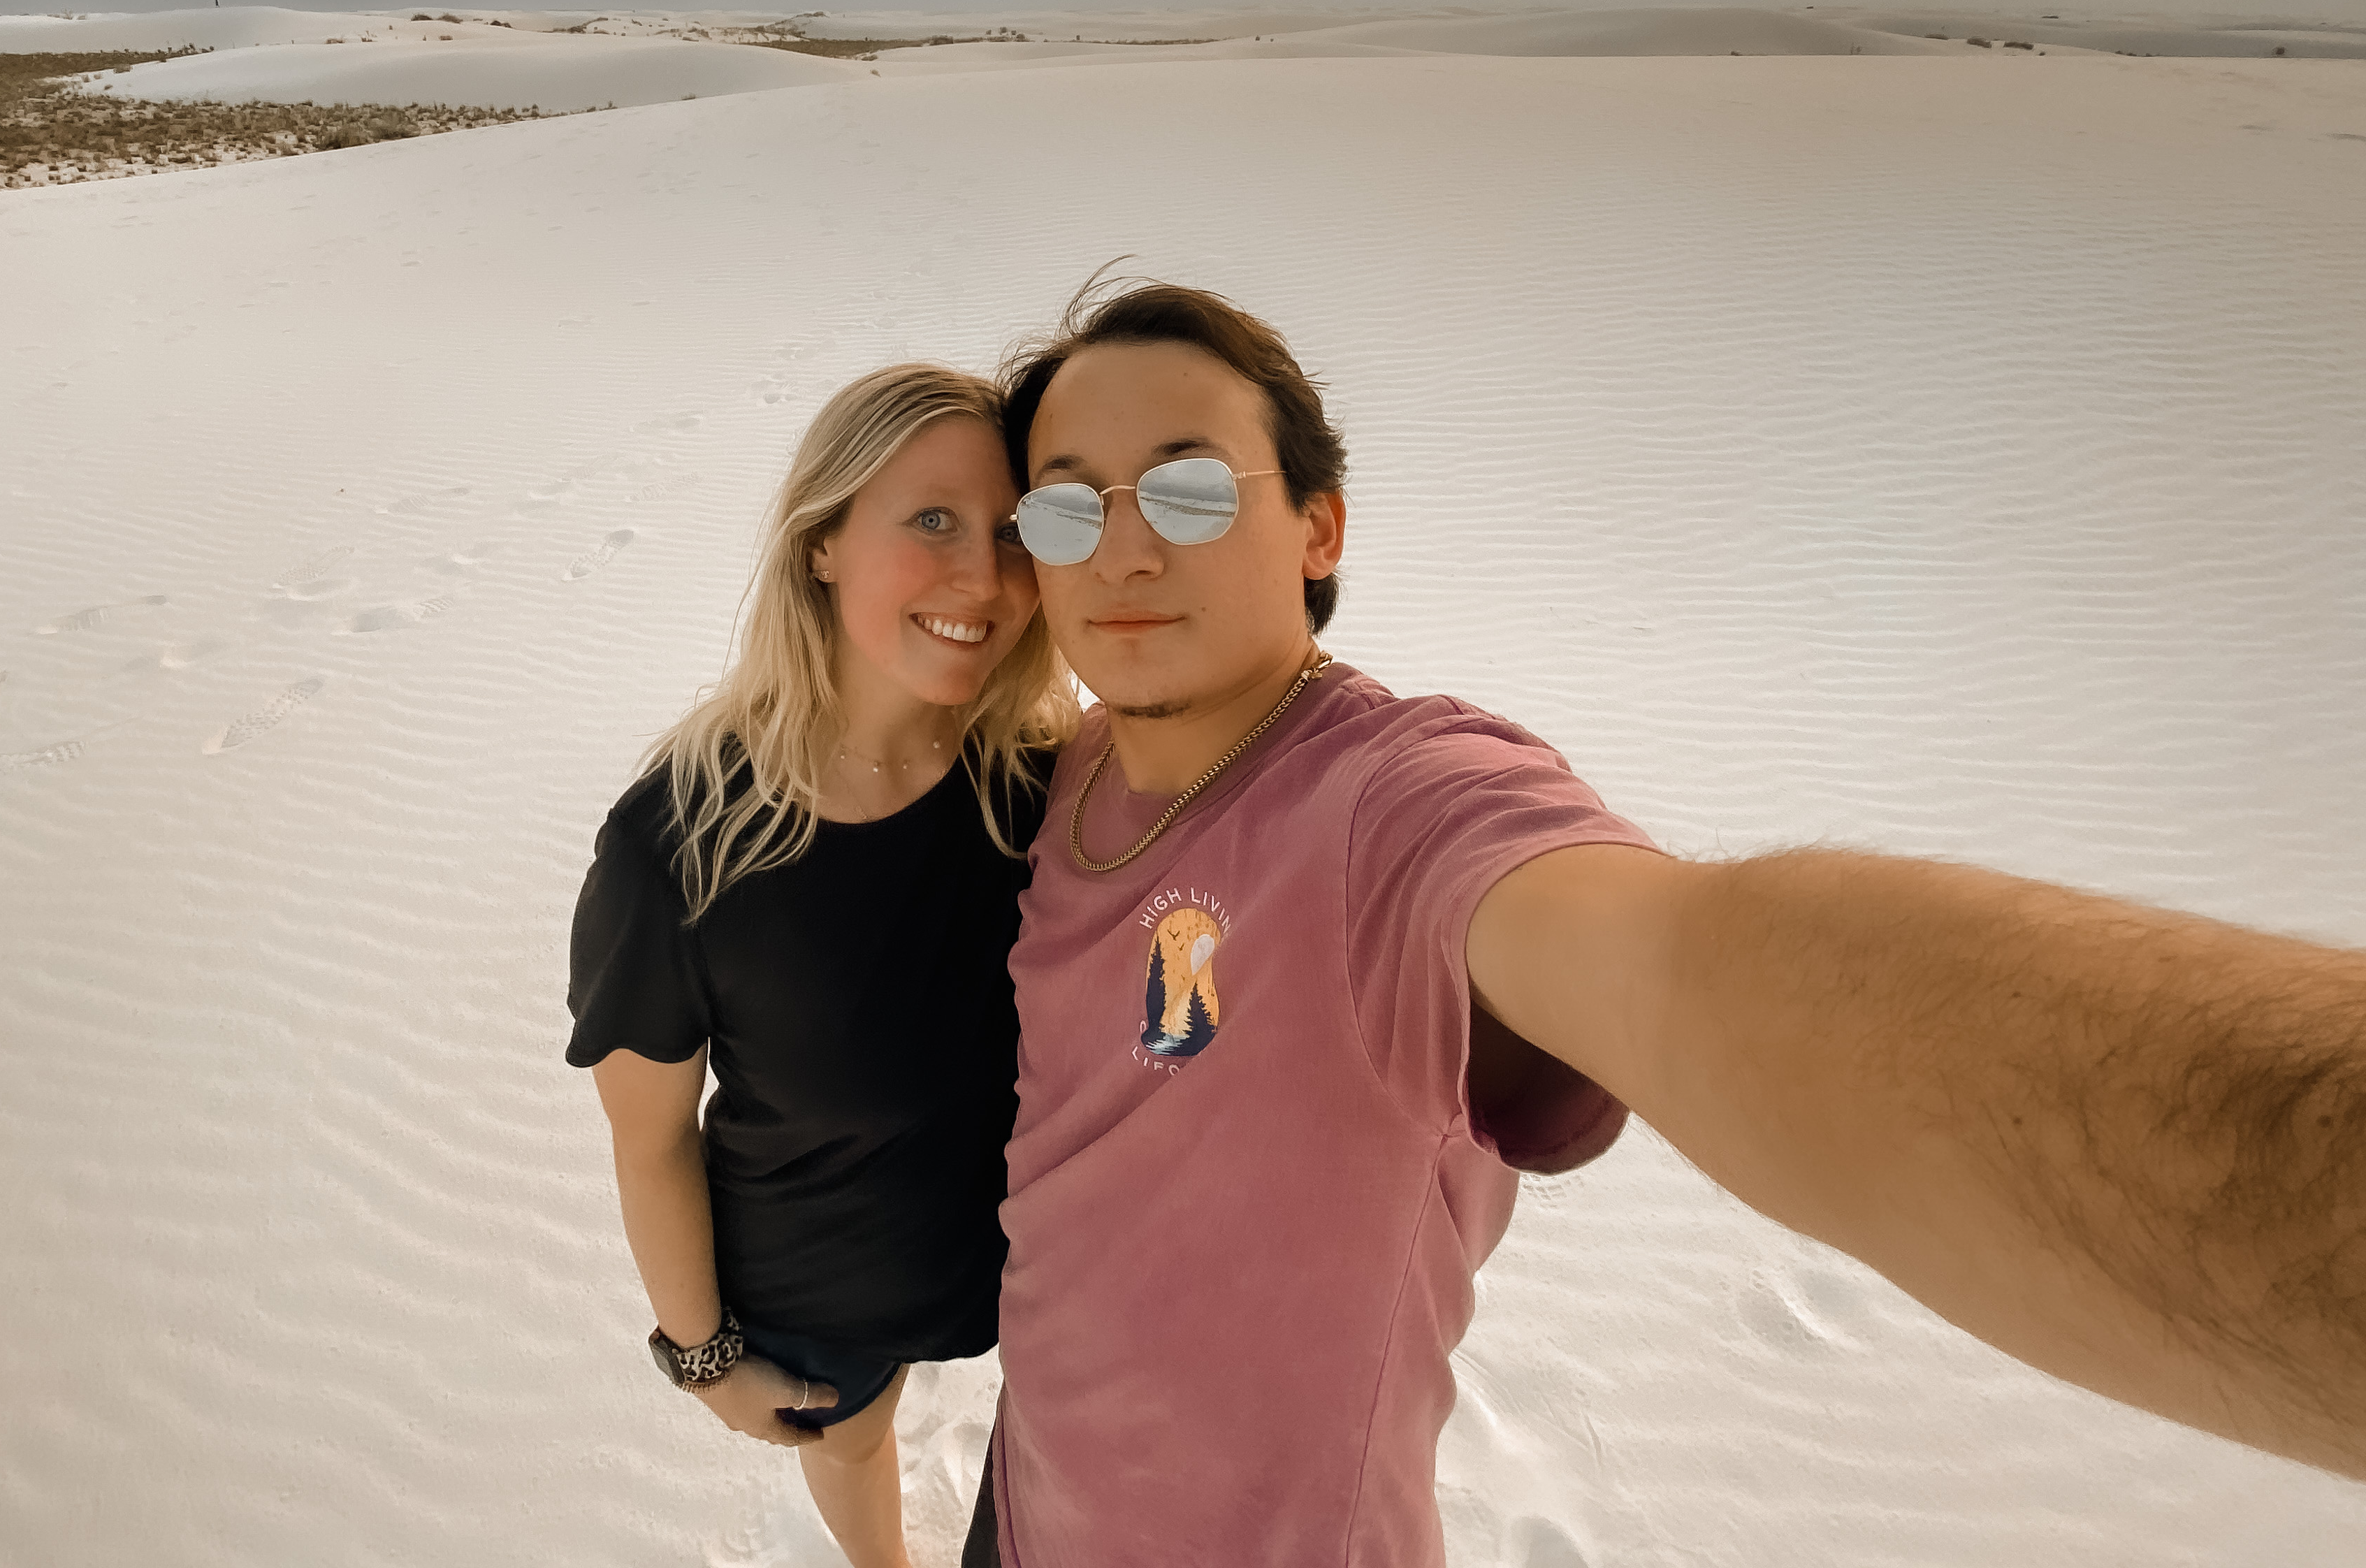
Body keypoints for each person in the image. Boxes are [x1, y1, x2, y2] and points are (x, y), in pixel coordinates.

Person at [964, 278, 2366, 1567]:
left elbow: (1684, 969)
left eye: (1192, 492)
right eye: (1071, 509)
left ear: (1320, 527)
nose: (1127, 552)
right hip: (1017, 1513)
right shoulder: (1053, 781)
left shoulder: (1384, 808)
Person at [567, 363, 1076, 1568]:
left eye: (1014, 532)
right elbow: (651, 1139)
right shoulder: (681, 843)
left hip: (1048, 1252)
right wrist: (701, 1356)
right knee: (851, 1437)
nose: (984, 577)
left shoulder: (1050, 783)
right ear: (824, 543)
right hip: (824, 1275)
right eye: (932, 520)